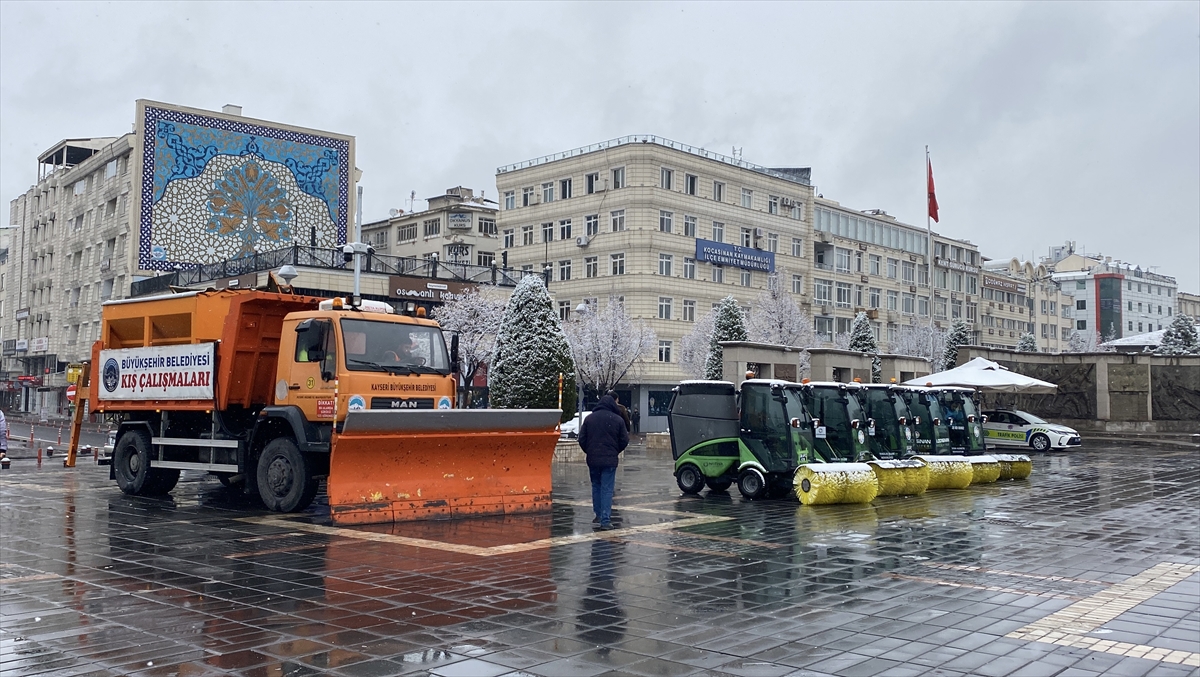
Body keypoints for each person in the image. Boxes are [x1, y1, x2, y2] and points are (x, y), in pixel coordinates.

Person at [578, 393, 628, 530]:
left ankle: (598, 514)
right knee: (607, 489)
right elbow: (624, 440)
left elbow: (582, 439)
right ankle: (605, 520)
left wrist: (590, 451)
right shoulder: (618, 420)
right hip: (609, 460)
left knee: (596, 486)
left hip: (593, 459)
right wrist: (615, 451)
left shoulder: (589, 419)